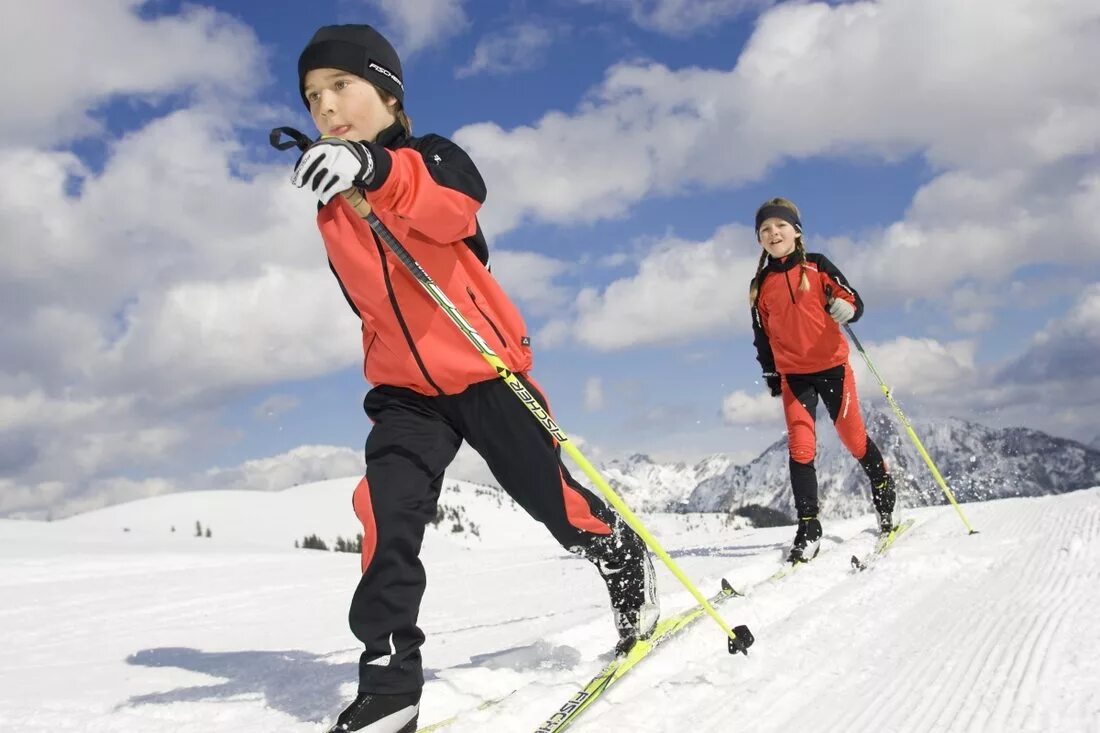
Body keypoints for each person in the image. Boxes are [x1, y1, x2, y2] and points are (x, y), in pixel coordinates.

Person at [288, 24, 658, 733]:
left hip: (482, 368)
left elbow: (455, 206)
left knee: (555, 503)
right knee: (384, 514)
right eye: (312, 96)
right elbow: (364, 298)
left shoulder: (430, 158)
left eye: (342, 86)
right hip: (405, 391)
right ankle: (390, 682)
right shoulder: (329, 206)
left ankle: (619, 551)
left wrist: (374, 170)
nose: (326, 106)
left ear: (388, 92)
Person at [748, 197, 897, 564]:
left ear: (796, 231)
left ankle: (882, 488)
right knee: (800, 448)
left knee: (853, 438)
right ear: (760, 239)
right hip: (793, 375)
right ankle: (809, 525)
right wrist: (770, 371)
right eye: (765, 230)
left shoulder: (817, 266)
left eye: (779, 226)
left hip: (832, 368)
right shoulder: (760, 284)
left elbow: (853, 301)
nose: (773, 233)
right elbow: (761, 334)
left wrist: (847, 308)